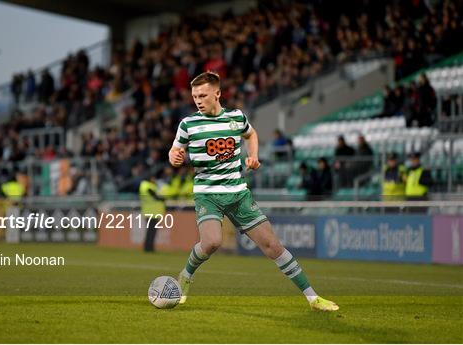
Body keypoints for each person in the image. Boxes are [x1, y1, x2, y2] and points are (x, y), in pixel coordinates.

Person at [168, 71, 338, 311]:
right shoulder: (188, 124)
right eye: (195, 96)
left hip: (238, 192)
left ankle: (313, 298)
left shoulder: (236, 117)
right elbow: (175, 151)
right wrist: (174, 157)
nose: (197, 100)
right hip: (207, 193)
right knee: (212, 242)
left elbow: (251, 134)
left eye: (203, 95)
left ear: (217, 94)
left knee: (273, 247)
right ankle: (185, 276)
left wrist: (253, 156)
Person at [139, 173, 166, 252]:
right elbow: (155, 196)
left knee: (151, 231)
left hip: (151, 212)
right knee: (151, 231)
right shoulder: (146, 186)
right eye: (153, 178)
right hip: (151, 212)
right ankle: (149, 248)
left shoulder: (147, 186)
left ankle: (148, 247)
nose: (154, 180)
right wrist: (162, 198)